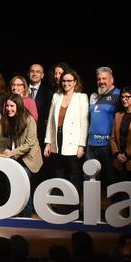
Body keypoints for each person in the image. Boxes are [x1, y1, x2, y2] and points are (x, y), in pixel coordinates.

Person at [44, 68, 90, 198]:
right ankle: (61, 205)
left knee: (73, 174)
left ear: (75, 82)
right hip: (57, 139)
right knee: (59, 173)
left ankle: (73, 206)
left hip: (73, 142)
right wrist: (48, 142)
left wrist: (81, 145)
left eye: (69, 81)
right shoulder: (56, 96)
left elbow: (84, 123)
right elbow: (50, 122)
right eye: (64, 81)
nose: (66, 83)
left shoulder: (81, 97)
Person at [87, 67, 121, 181]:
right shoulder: (93, 96)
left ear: (112, 79)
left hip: (108, 145)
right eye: (99, 79)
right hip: (91, 144)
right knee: (90, 178)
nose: (101, 81)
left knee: (111, 178)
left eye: (104, 78)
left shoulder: (119, 95)